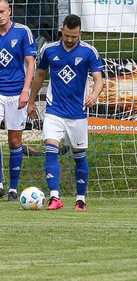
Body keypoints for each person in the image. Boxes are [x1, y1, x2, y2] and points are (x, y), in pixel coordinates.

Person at [28, 14, 104, 211]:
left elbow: (99, 79)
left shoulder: (89, 52)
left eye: (74, 36)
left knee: (79, 156)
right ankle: (55, 197)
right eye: (67, 35)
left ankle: (80, 199)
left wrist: (94, 94)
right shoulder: (49, 49)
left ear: (80, 33)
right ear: (61, 30)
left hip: (77, 113)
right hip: (54, 110)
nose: (70, 39)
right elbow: (40, 75)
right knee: (50, 150)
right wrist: (31, 101)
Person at [0, 0, 37, 202]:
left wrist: (25, 91)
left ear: (9, 10)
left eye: (2, 11)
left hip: (17, 92)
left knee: (15, 141)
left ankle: (13, 189)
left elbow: (31, 63)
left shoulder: (23, 32)